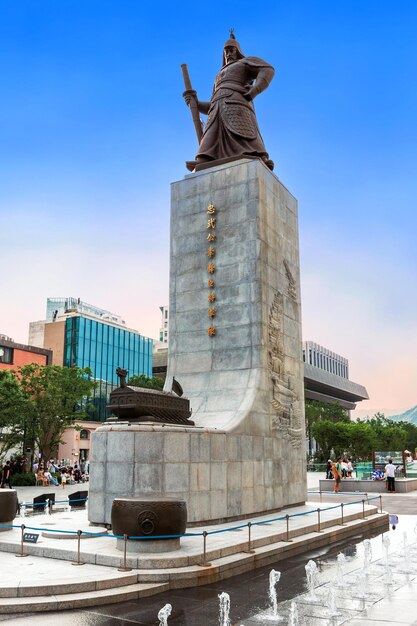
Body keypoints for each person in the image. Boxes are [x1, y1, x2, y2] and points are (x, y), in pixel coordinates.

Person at [183, 31, 275, 171]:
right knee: (210, 136)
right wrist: (196, 103)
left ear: (238, 51)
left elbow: (267, 69)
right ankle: (205, 158)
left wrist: (256, 89)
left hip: (237, 102)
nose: (228, 53)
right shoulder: (218, 76)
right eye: (226, 51)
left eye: (231, 49)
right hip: (216, 108)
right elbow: (211, 105)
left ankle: (259, 157)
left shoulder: (245, 62)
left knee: (243, 132)